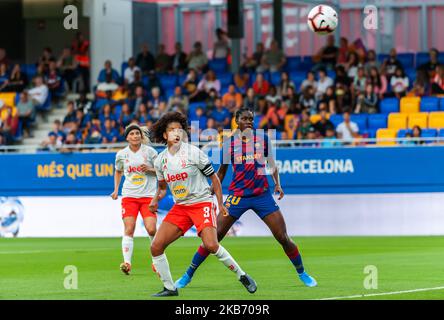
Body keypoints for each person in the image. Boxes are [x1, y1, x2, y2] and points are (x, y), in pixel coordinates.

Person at [175, 108, 317, 289]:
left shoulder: (263, 139)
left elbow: (271, 164)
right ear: (236, 121)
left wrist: (278, 184)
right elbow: (222, 170)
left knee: (283, 237)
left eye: (251, 119)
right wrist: (213, 189)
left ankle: (302, 272)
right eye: (245, 119)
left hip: (262, 195)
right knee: (213, 239)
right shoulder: (228, 143)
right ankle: (188, 275)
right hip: (237, 196)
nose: (249, 122)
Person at [148, 112, 257, 297]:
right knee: (156, 247)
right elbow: (162, 187)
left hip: (201, 203)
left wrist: (220, 204)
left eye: (179, 130)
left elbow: (214, 179)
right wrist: (155, 200)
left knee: (211, 245)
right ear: (165, 135)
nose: (176, 133)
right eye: (172, 130)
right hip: (181, 207)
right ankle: (169, 288)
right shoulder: (160, 161)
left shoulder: (193, 152)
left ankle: (243, 276)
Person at [111, 124, 158, 275]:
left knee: (151, 229)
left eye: (137, 133)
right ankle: (127, 262)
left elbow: (162, 171)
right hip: (129, 196)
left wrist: (150, 169)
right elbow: (118, 171)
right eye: (132, 134)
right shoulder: (121, 155)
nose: (135, 136)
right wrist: (116, 189)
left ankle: (157, 261)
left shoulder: (150, 152)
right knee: (129, 229)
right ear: (127, 137)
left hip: (148, 196)